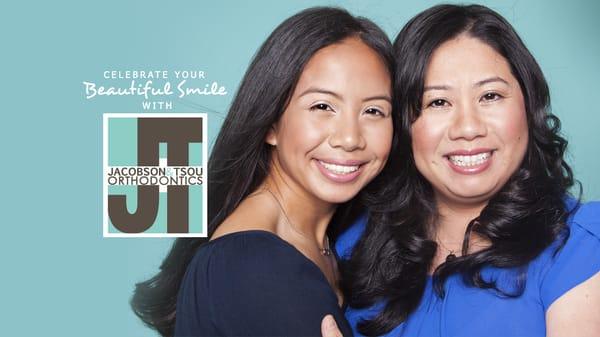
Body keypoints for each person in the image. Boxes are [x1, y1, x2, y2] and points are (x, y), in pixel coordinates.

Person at [323, 4, 600, 337]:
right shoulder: (353, 243)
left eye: (490, 96)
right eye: (438, 102)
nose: (468, 128)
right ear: (402, 124)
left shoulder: (579, 246)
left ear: (528, 105)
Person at [130, 7, 396, 337]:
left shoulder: (325, 243)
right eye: (322, 107)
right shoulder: (254, 265)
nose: (350, 138)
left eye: (373, 110)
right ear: (271, 123)